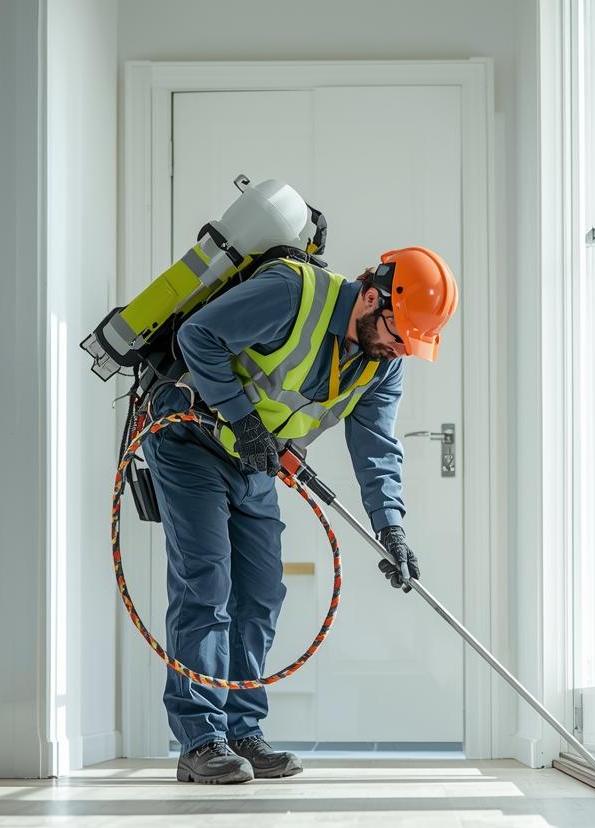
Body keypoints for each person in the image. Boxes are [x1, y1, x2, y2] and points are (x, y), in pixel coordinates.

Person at [141, 246, 458, 783]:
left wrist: (392, 528)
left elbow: (377, 447)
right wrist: (242, 419)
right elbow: (199, 336)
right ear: (375, 298)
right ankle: (200, 739)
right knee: (207, 582)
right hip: (189, 439)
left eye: (409, 344)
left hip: (253, 462)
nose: (398, 351)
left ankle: (242, 729)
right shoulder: (294, 292)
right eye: (397, 335)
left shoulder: (382, 367)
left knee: (262, 594)